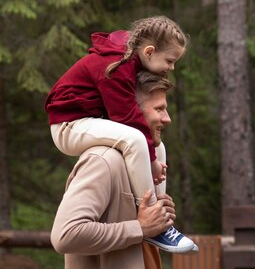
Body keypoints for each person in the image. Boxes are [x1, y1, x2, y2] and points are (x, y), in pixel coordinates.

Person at [51, 71, 178, 269]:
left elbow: (140, 229)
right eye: (159, 108)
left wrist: (160, 216)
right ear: (132, 110)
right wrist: (140, 227)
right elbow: (66, 234)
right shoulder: (102, 161)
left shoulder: (139, 163)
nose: (167, 118)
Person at [45, 16, 195, 253]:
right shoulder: (118, 66)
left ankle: (160, 217)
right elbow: (127, 118)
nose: (171, 68)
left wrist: (154, 155)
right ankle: (150, 212)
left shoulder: (129, 60)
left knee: (158, 145)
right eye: (169, 60)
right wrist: (152, 162)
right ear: (148, 51)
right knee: (136, 139)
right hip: (68, 126)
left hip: (88, 120)